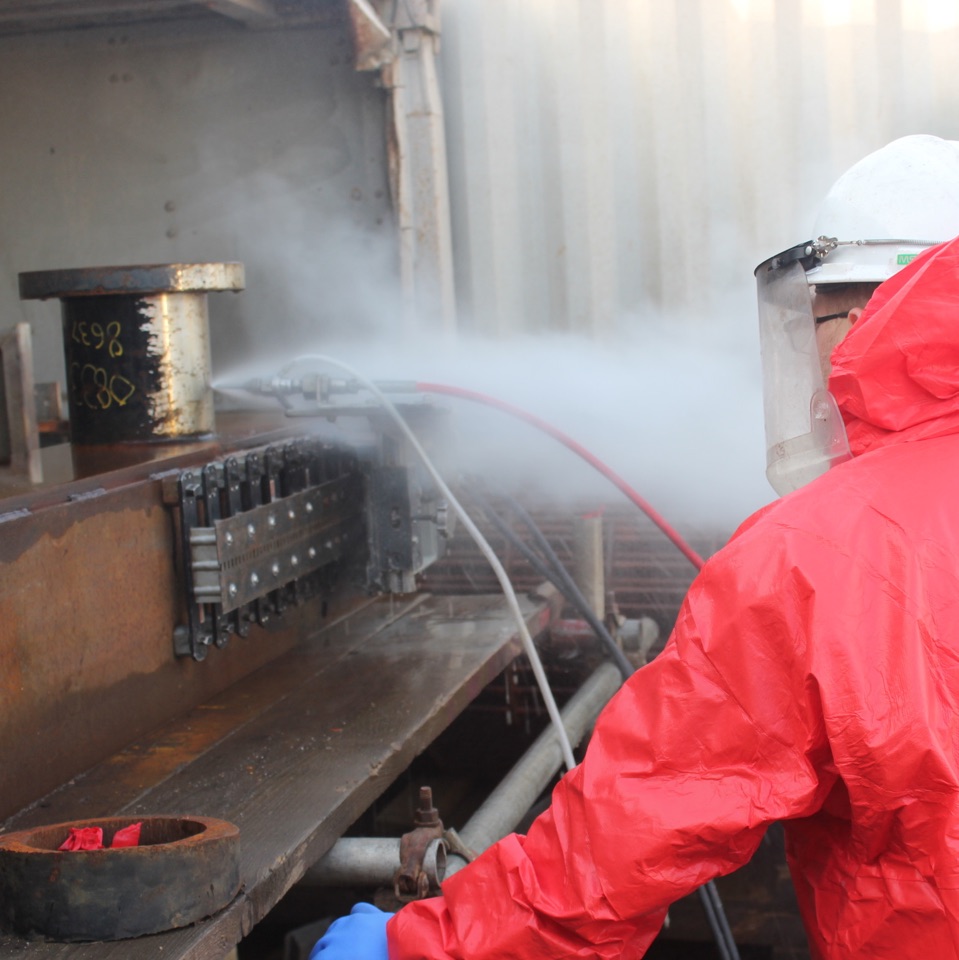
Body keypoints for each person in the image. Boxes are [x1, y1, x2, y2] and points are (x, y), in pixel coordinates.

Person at [311, 134, 959, 959]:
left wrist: (418, 945)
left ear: (873, 315)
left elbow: (616, 853)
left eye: (820, 318)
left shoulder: (815, 559)